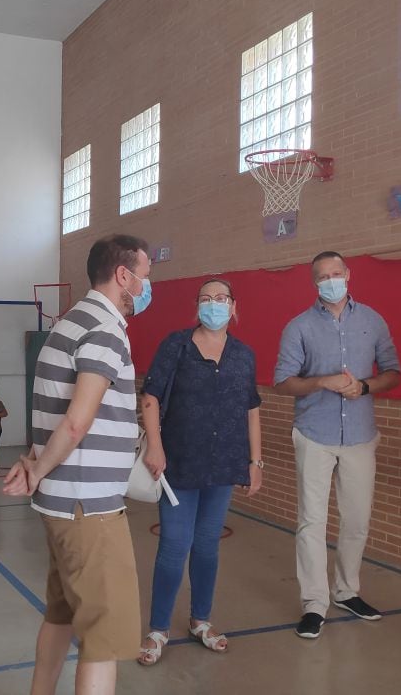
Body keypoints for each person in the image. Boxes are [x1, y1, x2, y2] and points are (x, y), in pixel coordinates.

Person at [3, 233, 150, 695]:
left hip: (62, 506)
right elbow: (75, 423)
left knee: (61, 615)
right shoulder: (104, 331)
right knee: (104, 641)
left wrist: (32, 463)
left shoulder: (68, 324)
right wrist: (38, 470)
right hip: (89, 509)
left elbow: (51, 417)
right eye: (145, 276)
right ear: (123, 275)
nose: (147, 286)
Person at [274, 250, 401, 638]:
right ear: (314, 282)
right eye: (322, 276)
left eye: (336, 273)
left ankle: (347, 590)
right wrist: (322, 381)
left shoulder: (373, 321)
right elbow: (283, 381)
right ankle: (314, 604)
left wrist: (365, 386)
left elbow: (393, 373)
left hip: (361, 436)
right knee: (312, 522)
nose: (331, 281)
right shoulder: (298, 327)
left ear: (347, 274)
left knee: (357, 520)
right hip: (314, 433)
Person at [137, 278, 263, 666]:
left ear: (233, 306)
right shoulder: (176, 345)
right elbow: (151, 396)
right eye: (206, 300)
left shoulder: (244, 354)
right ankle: (158, 629)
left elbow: (251, 408)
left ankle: (200, 621)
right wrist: (155, 446)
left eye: (221, 299)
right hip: (179, 462)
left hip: (224, 463)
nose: (214, 305)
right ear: (197, 307)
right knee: (175, 545)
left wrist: (255, 462)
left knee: (208, 546)